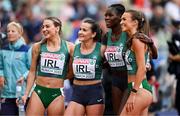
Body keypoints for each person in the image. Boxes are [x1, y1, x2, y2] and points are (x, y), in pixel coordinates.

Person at [21, 17, 74, 115]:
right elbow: (32, 71)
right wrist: (26, 94)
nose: (44, 29)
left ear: (57, 28)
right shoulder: (37, 46)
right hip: (39, 92)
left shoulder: (69, 47)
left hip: (56, 93)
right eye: (43, 27)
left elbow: (72, 72)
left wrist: (59, 78)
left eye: (47, 26)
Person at [64, 18, 106, 116]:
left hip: (94, 93)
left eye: (84, 30)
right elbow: (70, 73)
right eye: (80, 29)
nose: (80, 32)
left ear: (93, 34)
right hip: (77, 92)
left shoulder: (102, 49)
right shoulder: (73, 48)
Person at [120, 10, 158, 115]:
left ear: (135, 23)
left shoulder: (137, 40)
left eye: (124, 19)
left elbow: (142, 68)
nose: (121, 22)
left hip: (139, 88)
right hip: (137, 88)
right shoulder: (135, 38)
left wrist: (133, 94)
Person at [0, 21, 31, 115]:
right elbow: (0, 66)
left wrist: (24, 76)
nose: (10, 33)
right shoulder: (3, 49)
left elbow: (33, 69)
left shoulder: (27, 50)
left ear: (20, 34)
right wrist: (1, 75)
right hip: (6, 94)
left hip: (21, 95)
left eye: (13, 31)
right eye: (8, 31)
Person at [102, 4, 128, 115]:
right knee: (117, 113)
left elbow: (149, 54)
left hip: (129, 80)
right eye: (105, 15)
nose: (106, 18)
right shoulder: (106, 36)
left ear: (120, 17)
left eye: (110, 15)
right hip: (115, 80)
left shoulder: (128, 35)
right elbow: (101, 59)